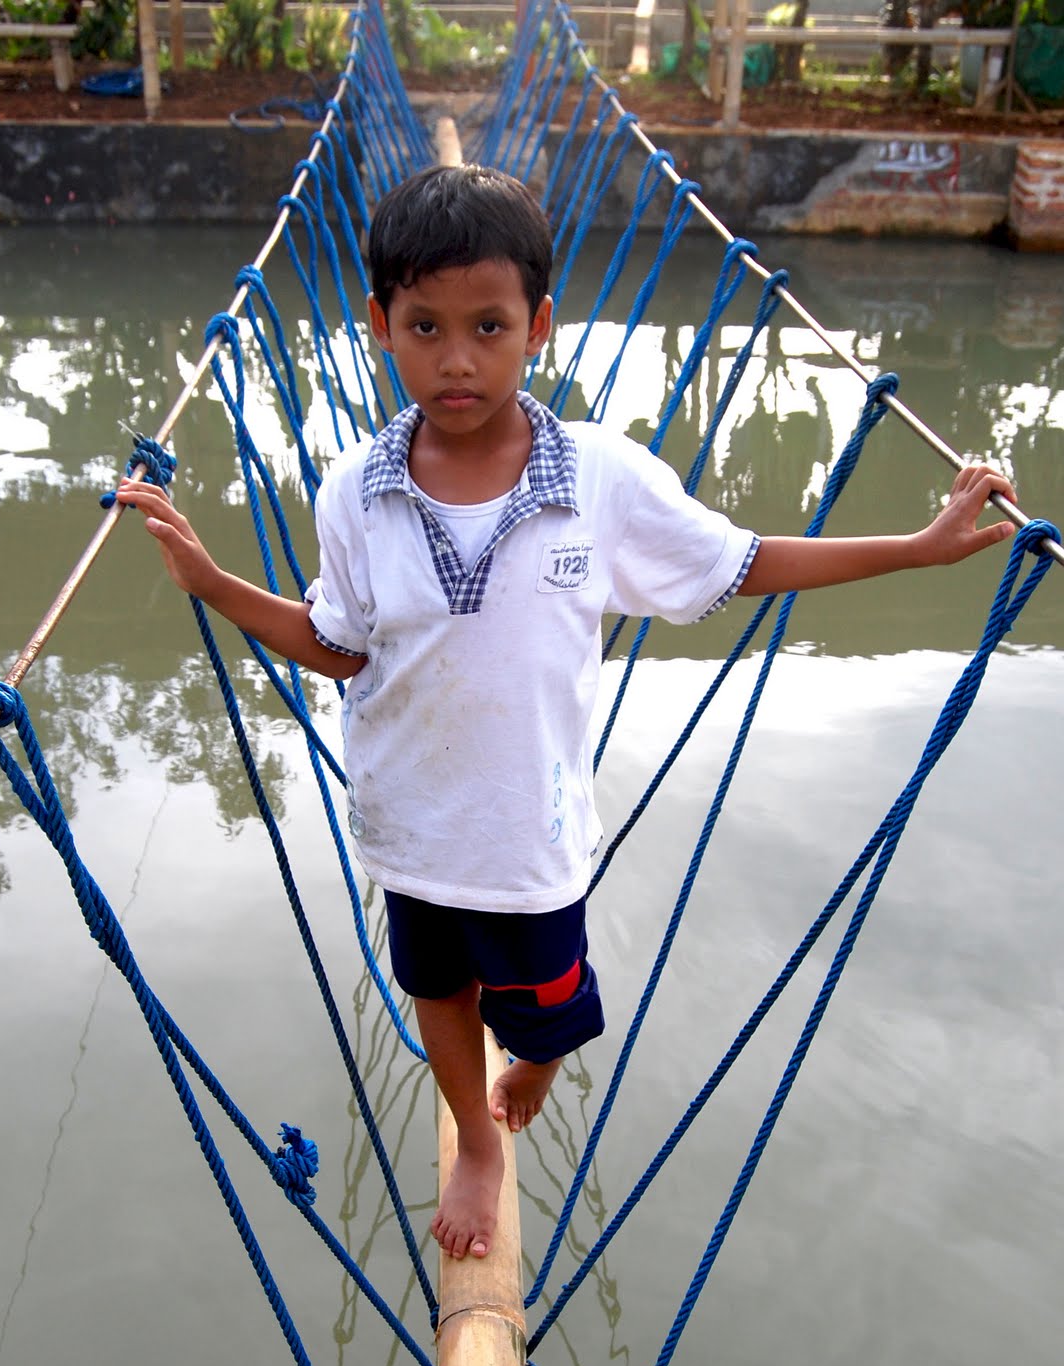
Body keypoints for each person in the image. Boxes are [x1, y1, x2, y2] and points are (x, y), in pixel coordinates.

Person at [117, 164, 1018, 1263]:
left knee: (544, 1014)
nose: (457, 358)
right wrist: (215, 583)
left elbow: (740, 562)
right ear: (378, 327)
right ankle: (479, 1147)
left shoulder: (601, 477)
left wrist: (917, 548)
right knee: (435, 986)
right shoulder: (353, 487)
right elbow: (337, 645)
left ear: (539, 326)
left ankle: (533, 1067)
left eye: (489, 326)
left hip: (533, 835)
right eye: (425, 325)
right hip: (409, 823)